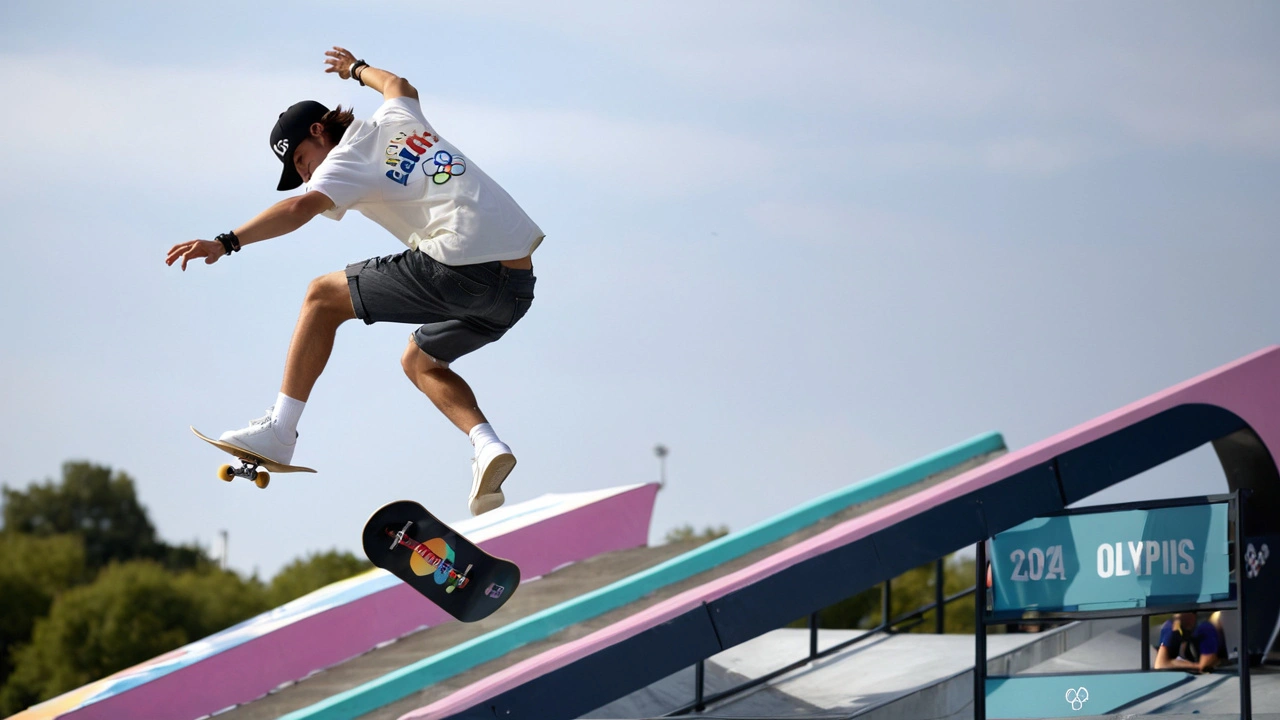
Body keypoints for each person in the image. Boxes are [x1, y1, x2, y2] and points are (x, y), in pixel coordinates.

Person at [166, 47, 543, 516]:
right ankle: (488, 445)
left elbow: (299, 209)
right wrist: (356, 70)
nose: (306, 175)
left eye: (302, 160)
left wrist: (226, 241)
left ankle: (281, 431)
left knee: (321, 296)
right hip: (514, 290)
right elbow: (400, 85)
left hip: (462, 269)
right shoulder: (397, 118)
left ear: (319, 131)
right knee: (421, 362)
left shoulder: (343, 159)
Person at [1154, 611, 1226, 673]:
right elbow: (1160, 664)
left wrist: (1173, 663)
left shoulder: (1204, 628)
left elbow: (1204, 665)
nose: (1176, 616)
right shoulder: (1169, 628)